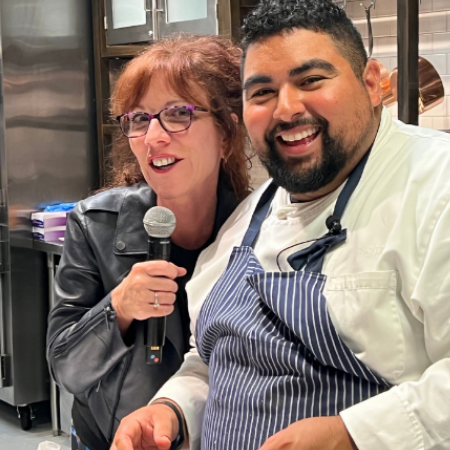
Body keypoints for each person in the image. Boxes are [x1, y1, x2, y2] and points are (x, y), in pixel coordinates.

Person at [112, 1, 450, 449]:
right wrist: (171, 409)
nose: (286, 109)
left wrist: (353, 435)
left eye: (311, 80)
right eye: (262, 93)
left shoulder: (435, 187)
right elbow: (214, 362)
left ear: (371, 83)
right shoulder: (252, 214)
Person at [46, 34, 249, 450]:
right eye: (139, 119)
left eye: (178, 114)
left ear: (227, 134)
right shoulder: (95, 224)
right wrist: (118, 308)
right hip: (112, 439)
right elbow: (66, 367)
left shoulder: (260, 230)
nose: (154, 136)